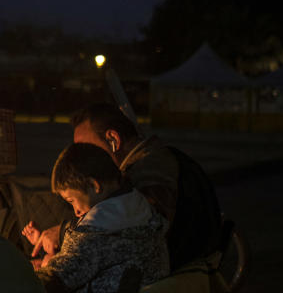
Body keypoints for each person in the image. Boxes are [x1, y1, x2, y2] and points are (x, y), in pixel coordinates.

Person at [23, 103, 221, 270]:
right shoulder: (141, 164)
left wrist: (66, 234)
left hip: (170, 270)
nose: (81, 159)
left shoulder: (150, 166)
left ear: (113, 140)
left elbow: (138, 225)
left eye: (87, 149)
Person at [28, 143, 169, 293]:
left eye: (72, 201)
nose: (75, 212)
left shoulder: (95, 232)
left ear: (94, 186)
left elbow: (51, 283)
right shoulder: (142, 212)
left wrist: (14, 280)